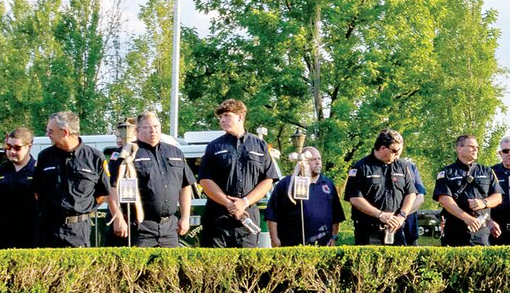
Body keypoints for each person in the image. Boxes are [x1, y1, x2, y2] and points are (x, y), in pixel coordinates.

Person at [34, 111, 127, 247]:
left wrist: (84, 208)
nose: (48, 134)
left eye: (50, 131)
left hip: (79, 230)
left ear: (65, 132)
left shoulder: (94, 157)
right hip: (48, 229)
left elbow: (102, 193)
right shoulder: (45, 156)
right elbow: (37, 192)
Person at [196, 99, 279, 247]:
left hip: (247, 216)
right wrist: (229, 204)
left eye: (227, 116)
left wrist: (244, 202)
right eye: (220, 117)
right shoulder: (214, 146)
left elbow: (268, 179)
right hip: (217, 217)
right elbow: (204, 180)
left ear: (240, 116)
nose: (222, 120)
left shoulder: (260, 146)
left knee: (246, 267)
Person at [112, 112, 196, 247]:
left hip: (169, 227)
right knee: (140, 268)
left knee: (169, 267)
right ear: (137, 130)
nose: (153, 130)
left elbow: (185, 185)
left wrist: (185, 217)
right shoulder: (127, 153)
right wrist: (118, 218)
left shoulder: (175, 152)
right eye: (147, 127)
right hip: (140, 226)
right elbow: (113, 188)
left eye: (156, 126)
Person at [344, 129, 418, 246]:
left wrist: (401, 216)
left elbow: (411, 193)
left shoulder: (402, 166)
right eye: (394, 151)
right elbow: (354, 198)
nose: (397, 155)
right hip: (369, 230)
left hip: (395, 229)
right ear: (383, 148)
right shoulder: (361, 167)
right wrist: (380, 214)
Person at [265, 145, 345, 246]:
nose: (318, 162)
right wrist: (274, 239)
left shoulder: (328, 184)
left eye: (319, 159)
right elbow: (272, 214)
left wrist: (333, 237)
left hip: (322, 245)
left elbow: (336, 216)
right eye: (313, 159)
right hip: (291, 245)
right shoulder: (286, 184)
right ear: (303, 162)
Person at [433, 134, 502, 247]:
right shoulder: (447, 172)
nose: (475, 149)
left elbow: (498, 197)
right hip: (455, 232)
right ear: (459, 148)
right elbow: (444, 199)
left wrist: (483, 203)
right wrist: (466, 217)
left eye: (477, 147)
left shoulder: (487, 171)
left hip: (482, 233)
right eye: (471, 146)